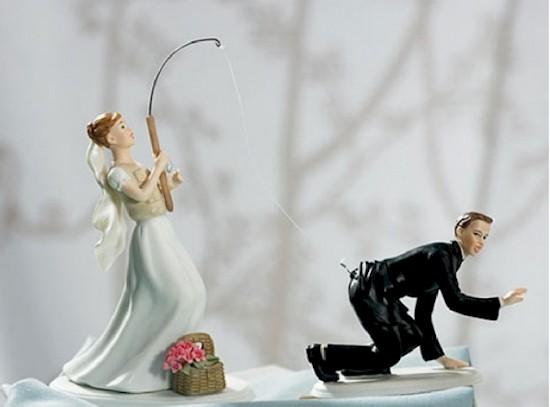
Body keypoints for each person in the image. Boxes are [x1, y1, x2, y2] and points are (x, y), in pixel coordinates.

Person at [63, 112, 206, 393]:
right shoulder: (117, 174)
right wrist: (158, 168)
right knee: (178, 296)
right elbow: (140, 196)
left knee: (196, 292)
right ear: (111, 138)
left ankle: (171, 362)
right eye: (122, 127)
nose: (129, 130)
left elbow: (154, 193)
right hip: (149, 235)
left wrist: (171, 180)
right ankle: (148, 367)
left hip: (163, 229)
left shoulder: (137, 166)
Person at [306, 212, 527, 382]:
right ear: (460, 231)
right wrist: (501, 302)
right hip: (370, 288)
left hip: (382, 292)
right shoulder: (441, 256)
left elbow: (424, 314)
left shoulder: (449, 260)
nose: (481, 241)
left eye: (485, 237)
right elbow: (455, 301)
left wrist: (441, 359)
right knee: (390, 353)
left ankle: (367, 365)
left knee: (412, 336)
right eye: (477, 234)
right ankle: (323, 355)